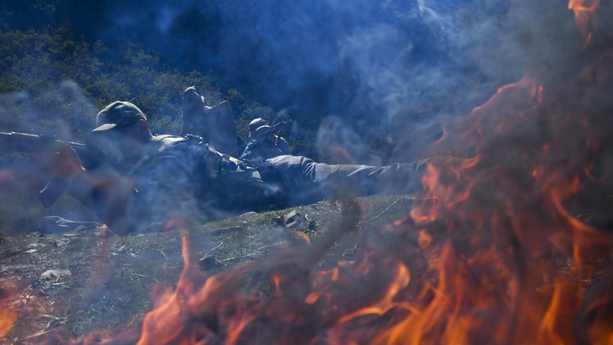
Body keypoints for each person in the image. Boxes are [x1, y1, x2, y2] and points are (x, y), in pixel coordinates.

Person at [52, 101, 431, 235]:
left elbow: (142, 224)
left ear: (140, 127)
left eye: (117, 136)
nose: (114, 147)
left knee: (383, 179)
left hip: (287, 176)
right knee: (379, 179)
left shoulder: (164, 157)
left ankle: (453, 169)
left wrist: (82, 182)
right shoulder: (153, 161)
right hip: (277, 180)